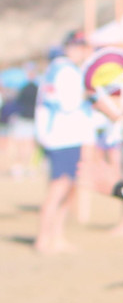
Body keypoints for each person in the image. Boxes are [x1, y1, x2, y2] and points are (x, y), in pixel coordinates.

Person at [34, 33, 95, 254]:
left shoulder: (56, 69)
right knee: (59, 189)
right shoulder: (66, 71)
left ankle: (56, 236)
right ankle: (44, 238)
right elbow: (69, 104)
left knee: (67, 189)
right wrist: (91, 94)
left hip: (62, 137)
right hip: (63, 138)